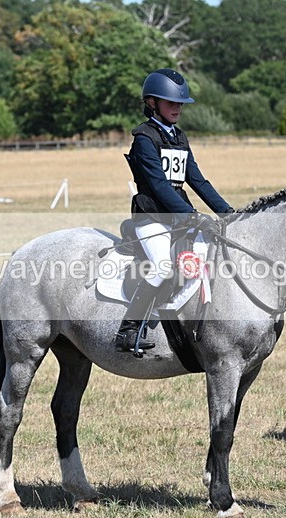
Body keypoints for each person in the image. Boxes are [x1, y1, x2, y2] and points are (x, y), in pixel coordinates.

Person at [115, 68, 234, 355]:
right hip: (152, 217)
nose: (177, 108)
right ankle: (128, 330)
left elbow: (197, 179)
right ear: (152, 103)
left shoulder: (179, 137)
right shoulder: (144, 138)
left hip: (178, 218)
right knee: (162, 266)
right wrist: (191, 216)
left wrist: (228, 212)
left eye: (180, 103)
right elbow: (158, 185)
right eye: (171, 103)